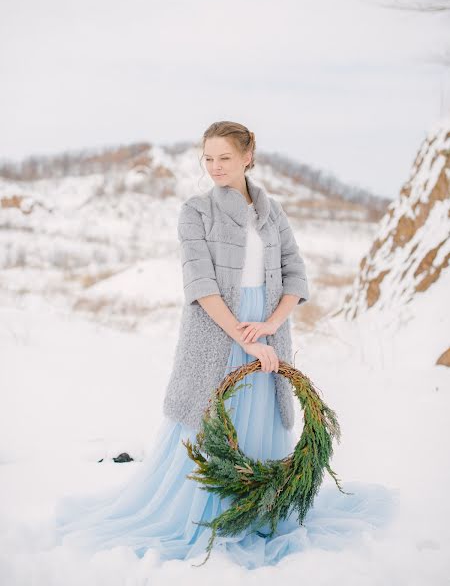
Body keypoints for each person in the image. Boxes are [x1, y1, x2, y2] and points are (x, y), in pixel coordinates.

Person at [53, 121, 396, 570]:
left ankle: (258, 509)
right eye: (208, 159)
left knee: (263, 426)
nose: (215, 167)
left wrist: (270, 325)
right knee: (210, 424)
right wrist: (246, 338)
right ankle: (208, 520)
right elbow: (200, 284)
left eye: (225, 158)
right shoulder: (196, 212)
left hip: (265, 331)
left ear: (248, 156)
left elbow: (296, 275)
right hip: (219, 330)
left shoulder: (273, 213)